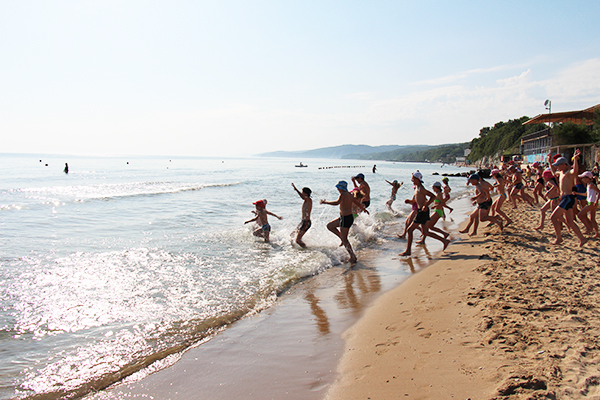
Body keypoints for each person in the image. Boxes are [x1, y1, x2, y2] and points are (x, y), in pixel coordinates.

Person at [400, 172, 450, 256]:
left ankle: (408, 251)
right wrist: (410, 201)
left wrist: (426, 206)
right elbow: (419, 200)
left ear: (418, 179)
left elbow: (433, 196)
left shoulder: (421, 188)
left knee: (410, 230)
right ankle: (445, 241)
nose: (412, 180)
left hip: (422, 212)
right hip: (422, 211)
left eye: (413, 178)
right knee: (425, 232)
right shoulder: (417, 188)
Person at [321, 181, 368, 263]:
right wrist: (364, 209)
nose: (337, 189)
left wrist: (326, 202)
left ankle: (353, 256)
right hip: (347, 218)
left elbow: (336, 203)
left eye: (338, 188)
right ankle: (342, 238)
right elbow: (357, 203)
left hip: (345, 218)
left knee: (345, 239)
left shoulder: (343, 195)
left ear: (340, 188)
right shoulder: (350, 195)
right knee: (330, 226)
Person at [548, 150, 587, 246]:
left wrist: (575, 159)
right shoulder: (561, 172)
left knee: (553, 217)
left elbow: (575, 170)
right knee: (569, 221)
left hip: (568, 198)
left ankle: (559, 238)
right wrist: (549, 161)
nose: (557, 167)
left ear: (564, 164)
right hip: (565, 198)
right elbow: (553, 172)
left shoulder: (569, 172)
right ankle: (582, 239)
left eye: (558, 165)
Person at [577, 171, 600, 238]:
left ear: (588, 178)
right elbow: (586, 194)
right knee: (592, 219)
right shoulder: (589, 184)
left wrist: (596, 201)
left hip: (591, 203)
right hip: (591, 203)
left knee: (580, 215)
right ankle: (597, 233)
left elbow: (599, 192)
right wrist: (577, 193)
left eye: (583, 178)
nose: (582, 179)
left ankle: (589, 228)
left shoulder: (591, 185)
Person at [291, 183, 313, 247]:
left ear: (306, 193)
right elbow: (303, 197)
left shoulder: (309, 199)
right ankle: (292, 250)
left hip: (306, 222)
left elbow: (303, 197)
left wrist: (296, 190)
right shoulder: (306, 200)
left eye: (302, 192)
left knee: (298, 240)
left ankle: (306, 250)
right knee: (292, 235)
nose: (301, 193)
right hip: (303, 222)